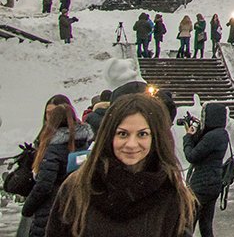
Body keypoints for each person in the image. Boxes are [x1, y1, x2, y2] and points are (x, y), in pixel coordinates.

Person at [45, 92, 197, 237]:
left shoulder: (172, 195)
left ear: (155, 138)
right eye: (123, 134)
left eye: (142, 134)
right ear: (109, 136)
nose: (131, 144)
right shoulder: (77, 188)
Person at [23, 103, 93, 237]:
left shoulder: (53, 149)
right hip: (79, 207)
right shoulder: (86, 144)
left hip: (52, 209)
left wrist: (28, 208)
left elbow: (44, 184)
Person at [182, 103, 229, 237]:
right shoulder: (221, 133)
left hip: (201, 185)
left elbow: (192, 156)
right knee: (206, 224)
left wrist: (187, 138)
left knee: (188, 224)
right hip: (213, 183)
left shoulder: (211, 137)